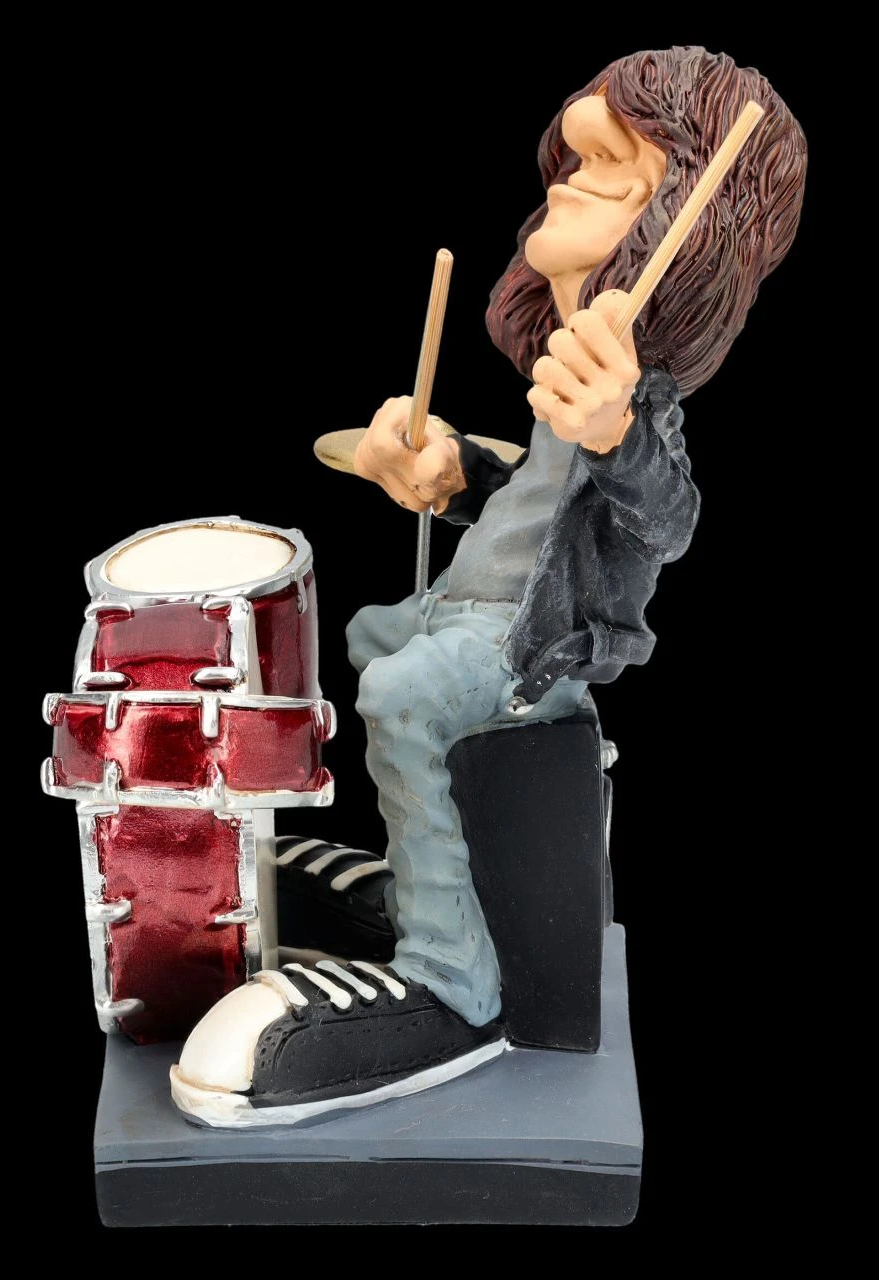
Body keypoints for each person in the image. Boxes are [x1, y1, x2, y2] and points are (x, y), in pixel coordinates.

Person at [170, 47, 807, 1128]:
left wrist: (616, 432)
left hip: (530, 647)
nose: (566, 181)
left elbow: (668, 519)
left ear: (681, 229)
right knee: (369, 640)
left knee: (404, 694)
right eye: (573, 160)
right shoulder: (568, 391)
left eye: (609, 170)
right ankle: (427, 875)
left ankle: (452, 980)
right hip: (473, 610)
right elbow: (533, 508)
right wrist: (448, 466)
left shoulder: (634, 404)